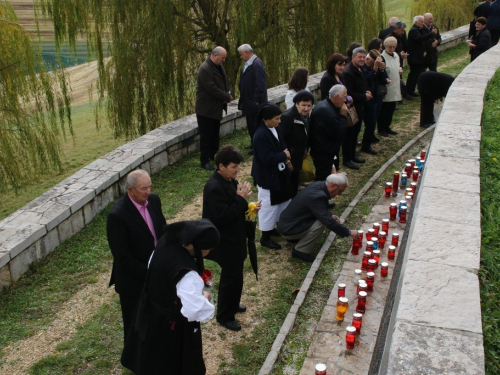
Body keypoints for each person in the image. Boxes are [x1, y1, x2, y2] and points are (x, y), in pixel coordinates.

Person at [121, 219, 220, 375]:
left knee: (150, 357)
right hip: (169, 327)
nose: (209, 253)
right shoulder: (186, 272)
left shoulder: (166, 241)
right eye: (208, 249)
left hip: (151, 311)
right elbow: (194, 311)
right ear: (197, 247)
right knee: (170, 363)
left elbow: (154, 269)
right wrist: (204, 297)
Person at [202, 145, 260, 331]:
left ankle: (233, 304)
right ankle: (224, 315)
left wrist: (248, 205)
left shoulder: (230, 181)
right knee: (230, 278)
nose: (238, 170)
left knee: (237, 277)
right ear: (221, 166)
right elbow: (223, 217)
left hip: (236, 237)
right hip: (225, 241)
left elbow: (235, 206)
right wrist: (241, 199)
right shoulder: (213, 187)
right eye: (234, 166)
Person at [107, 169, 167, 343]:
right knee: (135, 322)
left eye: (149, 187)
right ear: (130, 190)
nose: (148, 192)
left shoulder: (154, 200)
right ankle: (135, 359)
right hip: (133, 281)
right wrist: (149, 271)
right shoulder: (117, 216)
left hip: (155, 272)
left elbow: (161, 231)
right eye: (143, 189)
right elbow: (123, 258)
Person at [277, 173, 359, 262]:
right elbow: (328, 221)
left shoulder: (318, 185)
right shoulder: (318, 196)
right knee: (321, 223)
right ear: (333, 186)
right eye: (340, 191)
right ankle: (301, 251)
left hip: (288, 224)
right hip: (289, 229)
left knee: (324, 218)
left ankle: (298, 238)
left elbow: (317, 208)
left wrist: (329, 214)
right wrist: (349, 232)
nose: (340, 194)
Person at [251, 103, 293, 250]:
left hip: (279, 174)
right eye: (276, 118)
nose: (279, 121)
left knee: (281, 202)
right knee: (268, 206)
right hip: (268, 177)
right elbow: (266, 158)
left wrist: (287, 159)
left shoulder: (275, 128)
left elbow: (282, 144)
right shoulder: (260, 135)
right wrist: (283, 155)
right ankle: (265, 236)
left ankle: (274, 227)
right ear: (266, 119)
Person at [196, 47, 233, 171]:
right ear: (215, 55)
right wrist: (226, 96)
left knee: (215, 134)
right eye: (222, 58)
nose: (223, 60)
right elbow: (211, 88)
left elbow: (225, 80)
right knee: (206, 136)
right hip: (206, 109)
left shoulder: (218, 66)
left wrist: (228, 91)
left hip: (215, 108)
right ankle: (204, 160)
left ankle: (214, 155)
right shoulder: (205, 68)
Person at [309, 85, 348, 180]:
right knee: (323, 178)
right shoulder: (327, 112)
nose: (345, 100)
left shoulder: (325, 104)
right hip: (323, 151)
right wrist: (343, 116)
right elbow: (340, 133)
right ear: (336, 97)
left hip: (324, 149)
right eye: (344, 97)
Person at [342, 47, 371, 170]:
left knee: (355, 133)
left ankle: (353, 154)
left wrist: (366, 91)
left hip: (360, 108)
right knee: (349, 135)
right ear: (353, 57)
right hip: (352, 109)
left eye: (364, 57)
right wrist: (364, 96)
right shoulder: (348, 72)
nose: (362, 59)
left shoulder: (360, 69)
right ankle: (347, 159)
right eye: (359, 57)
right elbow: (349, 93)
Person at [281, 91, 315, 196]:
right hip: (290, 156)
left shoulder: (307, 116)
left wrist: (305, 149)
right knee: (289, 183)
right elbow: (282, 140)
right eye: (303, 105)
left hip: (299, 154)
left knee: (295, 180)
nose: (306, 108)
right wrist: (287, 160)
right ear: (296, 104)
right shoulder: (288, 117)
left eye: (309, 106)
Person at [238, 44, 268, 155]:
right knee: (250, 124)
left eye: (241, 54)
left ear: (247, 52)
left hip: (254, 102)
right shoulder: (249, 64)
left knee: (255, 124)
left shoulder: (256, 64)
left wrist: (256, 100)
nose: (241, 57)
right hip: (248, 101)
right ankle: (253, 143)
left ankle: (257, 146)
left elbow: (260, 84)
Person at [361, 49, 389, 154]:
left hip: (375, 97)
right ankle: (365, 146)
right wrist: (375, 68)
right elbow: (367, 79)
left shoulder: (374, 67)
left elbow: (380, 79)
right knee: (369, 123)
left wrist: (381, 70)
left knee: (372, 122)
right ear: (368, 59)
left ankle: (368, 142)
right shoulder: (363, 67)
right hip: (366, 99)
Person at [406, 16, 438, 96]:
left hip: (418, 56)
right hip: (414, 57)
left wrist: (424, 50)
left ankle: (412, 90)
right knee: (413, 75)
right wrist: (431, 34)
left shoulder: (418, 29)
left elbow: (421, 42)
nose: (423, 23)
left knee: (417, 74)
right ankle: (408, 91)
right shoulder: (414, 30)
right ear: (416, 22)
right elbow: (420, 38)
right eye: (421, 22)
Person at [378, 37, 402, 137]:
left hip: (395, 85)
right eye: (390, 47)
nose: (392, 49)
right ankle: (381, 128)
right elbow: (380, 73)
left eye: (394, 47)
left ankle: (387, 126)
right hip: (386, 88)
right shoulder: (382, 57)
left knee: (391, 108)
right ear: (385, 47)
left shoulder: (396, 55)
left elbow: (398, 65)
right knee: (384, 110)